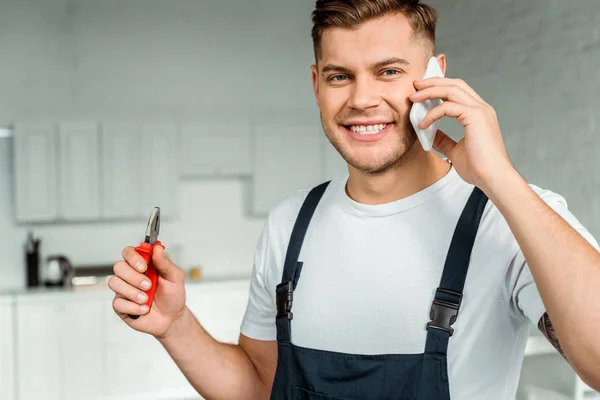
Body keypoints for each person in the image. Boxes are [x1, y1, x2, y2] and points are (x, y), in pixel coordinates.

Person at [109, 1, 600, 399]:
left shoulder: (505, 215)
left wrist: (500, 179)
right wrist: (174, 326)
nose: (362, 99)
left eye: (388, 71)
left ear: (433, 74)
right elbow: (261, 386)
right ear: (316, 84)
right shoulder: (289, 225)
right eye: (340, 75)